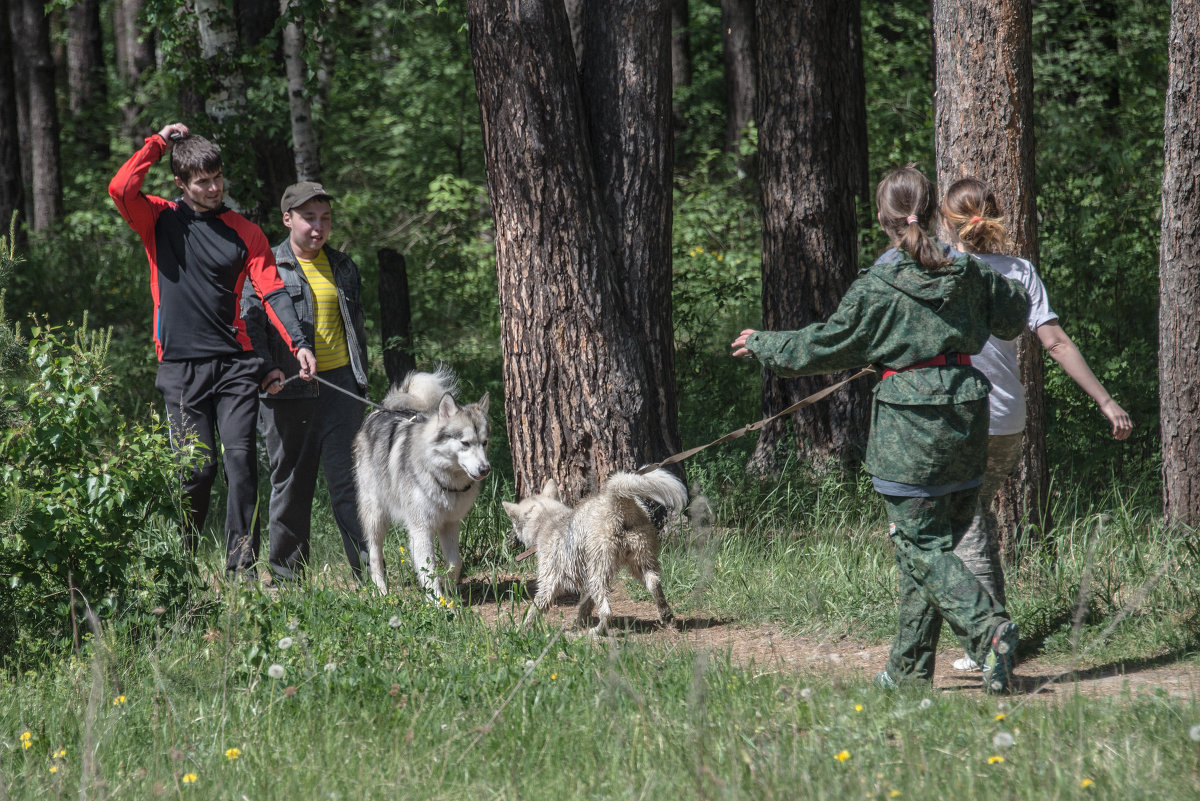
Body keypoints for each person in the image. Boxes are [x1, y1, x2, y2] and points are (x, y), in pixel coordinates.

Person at [731, 166, 1031, 693]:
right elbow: (1013, 317)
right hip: (965, 417)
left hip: (909, 428)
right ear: (936, 211)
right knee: (936, 543)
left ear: (881, 218)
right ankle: (907, 674)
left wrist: (764, 344)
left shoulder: (879, 283)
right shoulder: (970, 271)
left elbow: (827, 344)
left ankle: (988, 632)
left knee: (919, 547)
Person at [938, 177, 1133, 671]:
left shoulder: (941, 267)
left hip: (959, 416)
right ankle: (995, 632)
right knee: (974, 519)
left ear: (949, 222)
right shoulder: (1019, 272)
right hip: (1007, 420)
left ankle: (987, 641)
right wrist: (1105, 401)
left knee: (957, 526)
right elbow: (1058, 343)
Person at [109, 122, 317, 579]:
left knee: (241, 463)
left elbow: (273, 292)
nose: (213, 187)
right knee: (196, 471)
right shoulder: (158, 218)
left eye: (218, 177)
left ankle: (241, 567)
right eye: (202, 181)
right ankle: (179, 562)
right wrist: (158, 143)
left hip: (235, 366)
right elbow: (121, 187)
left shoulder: (245, 232)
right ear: (181, 183)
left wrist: (298, 344)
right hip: (180, 367)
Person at [242, 182, 371, 582]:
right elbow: (251, 327)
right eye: (309, 218)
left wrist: (360, 380)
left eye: (325, 219)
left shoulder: (344, 266)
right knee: (291, 486)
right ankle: (286, 580)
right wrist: (266, 372)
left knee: (351, 485)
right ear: (287, 219)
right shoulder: (267, 267)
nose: (318, 227)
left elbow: (357, 330)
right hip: (288, 393)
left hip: (343, 390)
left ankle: (371, 573)